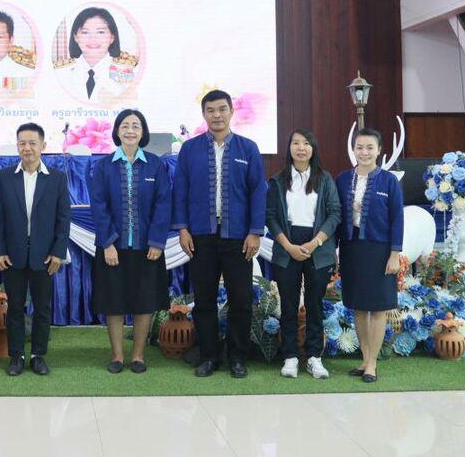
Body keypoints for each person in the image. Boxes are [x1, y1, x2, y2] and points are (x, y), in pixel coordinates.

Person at [173, 89, 266, 378]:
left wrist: (255, 232)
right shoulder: (190, 149)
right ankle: (209, 356)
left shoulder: (248, 148)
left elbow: (258, 192)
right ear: (204, 114)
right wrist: (183, 229)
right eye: (211, 110)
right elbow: (180, 191)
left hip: (239, 237)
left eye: (222, 109)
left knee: (241, 299)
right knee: (204, 300)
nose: (217, 115)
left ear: (231, 112)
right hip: (200, 236)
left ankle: (237, 357)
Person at [90, 109, 171, 374]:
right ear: (117, 131)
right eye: (125, 125)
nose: (130, 130)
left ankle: (138, 356)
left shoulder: (155, 165)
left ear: (143, 132)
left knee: (144, 303)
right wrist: (108, 243)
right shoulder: (103, 166)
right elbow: (98, 206)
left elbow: (163, 204)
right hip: (113, 248)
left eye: (136, 126)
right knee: (113, 302)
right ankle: (116, 356)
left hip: (147, 248)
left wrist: (157, 242)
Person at [0, 123, 71, 376]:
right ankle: (16, 356)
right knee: (15, 307)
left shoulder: (57, 178)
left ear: (43, 146)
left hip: (45, 256)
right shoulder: (4, 177)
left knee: (42, 308)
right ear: (17, 146)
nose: (27, 148)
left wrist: (58, 252)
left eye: (32, 143)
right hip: (12, 255)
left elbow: (63, 219)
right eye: (22, 143)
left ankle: (38, 355)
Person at [266, 129, 341, 380]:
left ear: (313, 148)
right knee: (288, 305)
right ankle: (289, 356)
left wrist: (315, 242)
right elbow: (270, 217)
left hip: (318, 248)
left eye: (306, 143)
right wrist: (288, 246)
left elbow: (335, 214)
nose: (301, 148)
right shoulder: (278, 180)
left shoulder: (325, 179)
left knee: (314, 305)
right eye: (296, 143)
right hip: (286, 248)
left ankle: (314, 357)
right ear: (289, 148)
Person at [335, 128, 404, 383]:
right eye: (359, 147)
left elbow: (397, 218)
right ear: (353, 149)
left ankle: (372, 363)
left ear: (379, 150)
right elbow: (336, 215)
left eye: (369, 147)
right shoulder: (342, 179)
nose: (364, 152)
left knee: (378, 308)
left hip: (380, 250)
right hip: (351, 249)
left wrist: (394, 254)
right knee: (358, 307)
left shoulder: (389, 181)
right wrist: (334, 249)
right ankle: (364, 358)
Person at [55, 6, 138, 103]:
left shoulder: (130, 71)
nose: (93, 38)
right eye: (85, 32)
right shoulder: (60, 72)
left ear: (112, 37)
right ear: (75, 37)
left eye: (100, 32)